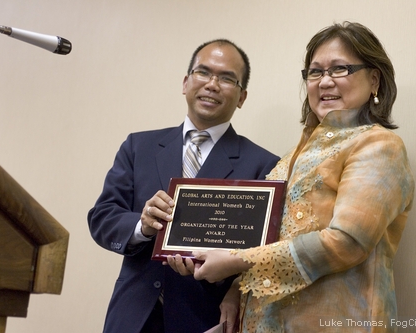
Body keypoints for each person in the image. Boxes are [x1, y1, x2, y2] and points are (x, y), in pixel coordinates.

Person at [169, 22, 415, 332]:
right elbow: (265, 240)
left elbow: (347, 242)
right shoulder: (289, 157)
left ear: (374, 80)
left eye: (340, 69)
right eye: (315, 72)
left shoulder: (379, 145)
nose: (325, 82)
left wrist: (236, 262)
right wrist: (235, 291)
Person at [87, 39, 280, 333]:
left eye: (227, 78)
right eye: (203, 72)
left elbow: (263, 256)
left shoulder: (264, 165)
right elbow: (102, 217)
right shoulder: (139, 147)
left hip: (205, 317)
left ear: (242, 97)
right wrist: (143, 225)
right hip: (132, 315)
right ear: (185, 82)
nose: (212, 84)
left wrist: (227, 278)